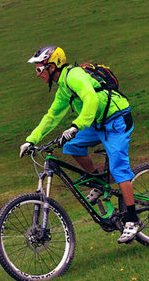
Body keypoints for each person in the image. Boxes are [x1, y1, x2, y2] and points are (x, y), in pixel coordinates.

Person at [19, 45, 141, 244]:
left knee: (119, 169)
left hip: (117, 119)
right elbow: (51, 117)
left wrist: (77, 125)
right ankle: (98, 182)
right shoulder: (63, 89)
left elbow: (90, 98)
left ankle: (132, 219)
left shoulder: (74, 76)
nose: (37, 73)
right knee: (71, 146)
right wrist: (31, 140)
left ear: (52, 66)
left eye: (40, 68)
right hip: (98, 123)